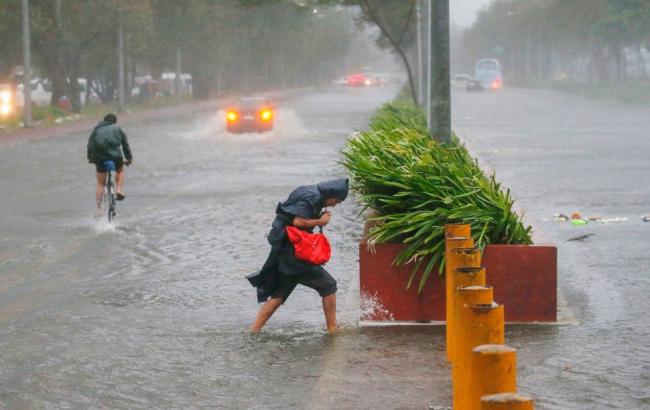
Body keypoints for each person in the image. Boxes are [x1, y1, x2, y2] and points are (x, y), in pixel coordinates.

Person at [247, 178, 349, 333]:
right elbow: (298, 222)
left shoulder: (308, 190)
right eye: (337, 201)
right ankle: (332, 329)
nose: (335, 204)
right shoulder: (312, 197)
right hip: (294, 253)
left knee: (280, 293)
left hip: (286, 249)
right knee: (329, 285)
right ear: (331, 194)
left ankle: (254, 330)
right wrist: (320, 221)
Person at [87, 114, 132, 216]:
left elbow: (90, 145)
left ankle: (98, 209)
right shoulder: (118, 129)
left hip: (100, 158)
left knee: (100, 183)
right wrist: (129, 159)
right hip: (116, 157)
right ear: (114, 122)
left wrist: (91, 158)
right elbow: (125, 145)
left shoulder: (96, 130)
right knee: (120, 170)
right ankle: (119, 190)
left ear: (104, 121)